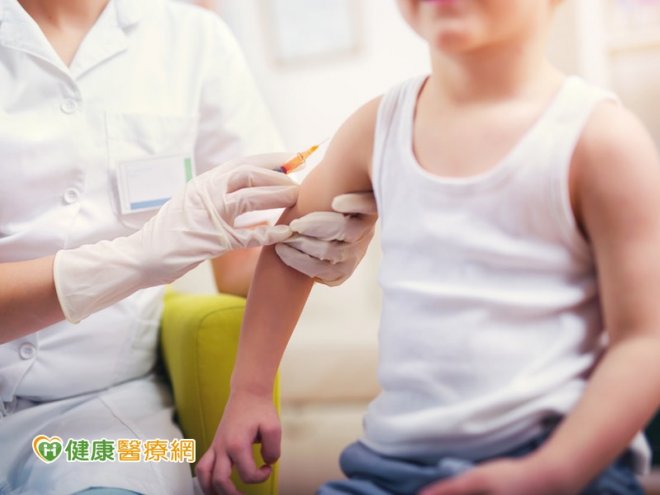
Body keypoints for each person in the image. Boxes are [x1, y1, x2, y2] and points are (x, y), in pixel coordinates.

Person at [198, 0, 660, 494]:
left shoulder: (601, 140)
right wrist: (249, 390)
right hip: (391, 466)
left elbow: (645, 341)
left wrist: (549, 473)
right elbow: (289, 249)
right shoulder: (378, 126)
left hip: (559, 461)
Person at [0, 0, 376, 493]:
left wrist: (317, 249)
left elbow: (247, 258)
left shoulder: (194, 39)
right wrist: (136, 258)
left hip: (98, 413)